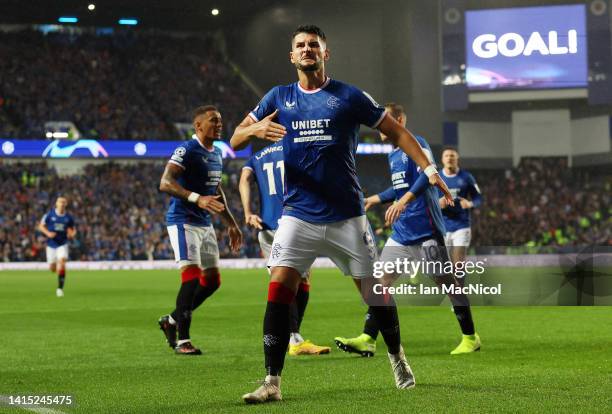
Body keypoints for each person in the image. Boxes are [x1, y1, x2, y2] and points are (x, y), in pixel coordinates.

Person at [230, 25, 453, 403]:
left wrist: (430, 170)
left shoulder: (348, 96)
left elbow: (398, 133)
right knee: (277, 291)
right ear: (291, 55)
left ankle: (397, 357)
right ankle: (271, 382)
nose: (306, 50)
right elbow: (234, 138)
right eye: (300, 45)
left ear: (324, 54)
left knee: (374, 294)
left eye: (313, 45)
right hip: (297, 214)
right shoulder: (278, 97)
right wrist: (254, 129)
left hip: (347, 216)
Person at [334, 103, 481, 357]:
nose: (379, 124)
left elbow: (428, 174)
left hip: (426, 230)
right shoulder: (393, 155)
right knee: (380, 283)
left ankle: (470, 337)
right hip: (403, 232)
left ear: (399, 119)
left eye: (385, 119)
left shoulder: (416, 142)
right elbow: (399, 188)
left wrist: (403, 202)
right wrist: (376, 199)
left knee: (448, 284)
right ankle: (368, 338)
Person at [157, 105, 243, 355]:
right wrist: (196, 198)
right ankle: (183, 340)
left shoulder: (216, 153)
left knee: (213, 281)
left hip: (205, 223)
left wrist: (231, 223)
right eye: (214, 121)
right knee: (192, 278)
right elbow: (165, 182)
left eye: (220, 121)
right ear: (198, 126)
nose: (219, 125)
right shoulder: (187, 149)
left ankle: (172, 320)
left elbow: (216, 191)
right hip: (183, 220)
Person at [240, 143, 330, 356]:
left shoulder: (258, 156)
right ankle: (294, 339)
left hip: (268, 226)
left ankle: (293, 337)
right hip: (294, 222)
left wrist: (247, 212)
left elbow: (244, 179)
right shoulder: (298, 147)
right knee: (296, 281)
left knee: (294, 280)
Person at [439, 147, 482, 274]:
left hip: (461, 225)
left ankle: (458, 291)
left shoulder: (467, 177)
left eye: (452, 156)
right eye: (446, 156)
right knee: (444, 266)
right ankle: (451, 292)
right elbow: (429, 200)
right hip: (442, 226)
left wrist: (470, 203)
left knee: (458, 263)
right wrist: (438, 203)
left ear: (457, 159)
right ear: (442, 159)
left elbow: (478, 197)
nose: (449, 158)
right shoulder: (436, 178)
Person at [38, 196, 76, 297]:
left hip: (62, 244)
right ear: (56, 203)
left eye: (64, 202)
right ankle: (56, 270)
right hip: (51, 245)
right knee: (52, 268)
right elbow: (41, 226)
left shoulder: (68, 217)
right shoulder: (49, 215)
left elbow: (72, 229)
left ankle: (60, 289)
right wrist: (48, 233)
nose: (62, 204)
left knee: (62, 262)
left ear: (66, 204)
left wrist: (72, 234)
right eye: (60, 202)